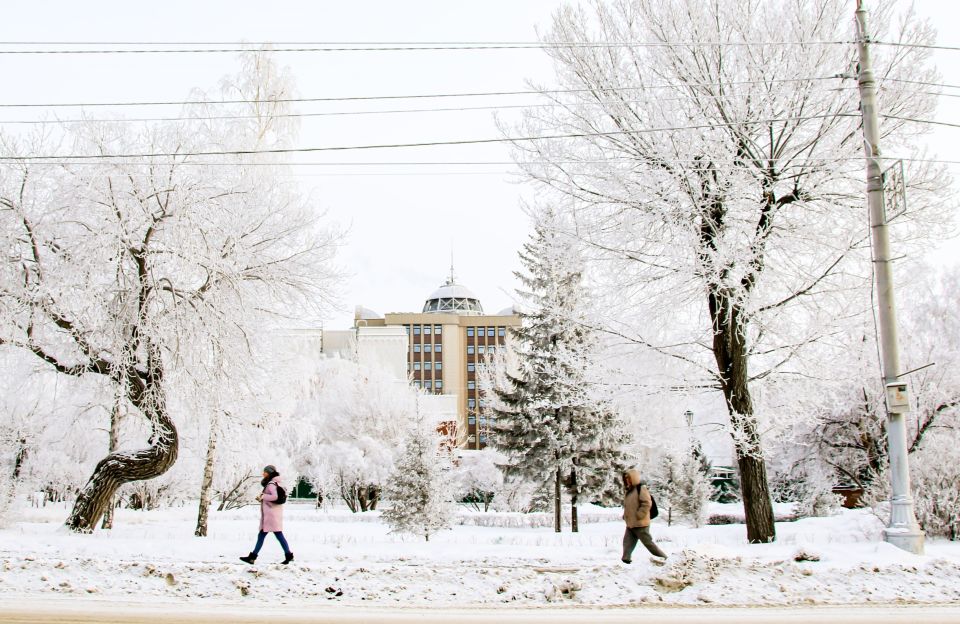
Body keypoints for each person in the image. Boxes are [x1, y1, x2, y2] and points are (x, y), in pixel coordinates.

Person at [240, 465, 294, 565]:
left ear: (269, 473)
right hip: (272, 515)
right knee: (272, 535)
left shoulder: (271, 484)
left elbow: (275, 496)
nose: (263, 473)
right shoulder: (276, 483)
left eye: (265, 472)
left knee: (271, 535)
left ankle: (252, 558)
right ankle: (288, 556)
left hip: (271, 516)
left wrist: (263, 496)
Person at [621, 468, 667, 564]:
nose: (627, 480)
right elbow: (629, 506)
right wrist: (626, 516)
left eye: (628, 478)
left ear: (633, 478)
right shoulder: (629, 491)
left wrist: (640, 514)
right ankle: (626, 560)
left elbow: (646, 503)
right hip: (631, 523)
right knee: (627, 542)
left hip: (640, 523)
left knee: (648, 543)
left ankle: (664, 558)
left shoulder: (641, 488)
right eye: (625, 478)